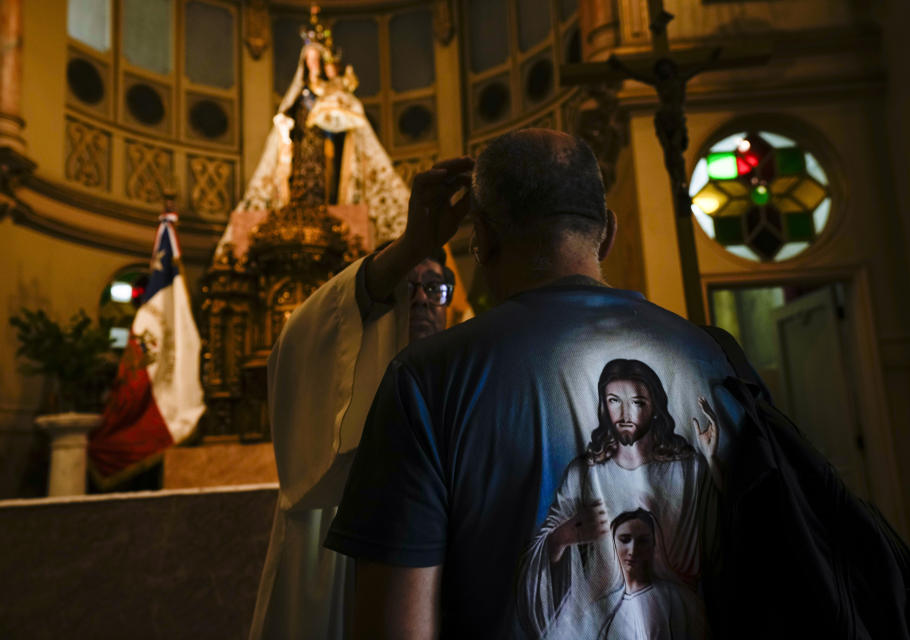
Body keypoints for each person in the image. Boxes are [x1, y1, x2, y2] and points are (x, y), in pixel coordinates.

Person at [324, 128, 748, 638]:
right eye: (612, 401)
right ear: (607, 233)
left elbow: (395, 626)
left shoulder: (427, 379)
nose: (625, 413)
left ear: (480, 238)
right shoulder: (715, 359)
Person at [248, 157, 472, 640]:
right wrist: (411, 247)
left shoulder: (470, 374)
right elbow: (302, 341)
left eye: (434, 288)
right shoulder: (355, 373)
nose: (419, 300)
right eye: (405, 287)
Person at [518, 359, 721, 637]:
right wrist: (567, 534)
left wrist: (713, 463)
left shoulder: (687, 468)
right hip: (598, 623)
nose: (624, 413)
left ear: (656, 409)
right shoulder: (583, 474)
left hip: (676, 620)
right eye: (614, 401)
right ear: (603, 407)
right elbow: (541, 553)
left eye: (637, 402)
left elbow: (725, 534)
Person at [215, 12, 408, 262]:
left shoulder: (332, 91)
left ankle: (323, 206)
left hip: (325, 145)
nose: (313, 64)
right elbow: (288, 119)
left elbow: (347, 121)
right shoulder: (299, 94)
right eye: (309, 59)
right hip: (302, 149)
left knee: (327, 176)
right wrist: (286, 127)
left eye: (317, 58)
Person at [597, 508, 707, 640]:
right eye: (625, 540)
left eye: (643, 541)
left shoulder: (677, 597)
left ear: (654, 544)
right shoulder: (604, 606)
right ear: (613, 544)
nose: (633, 550)